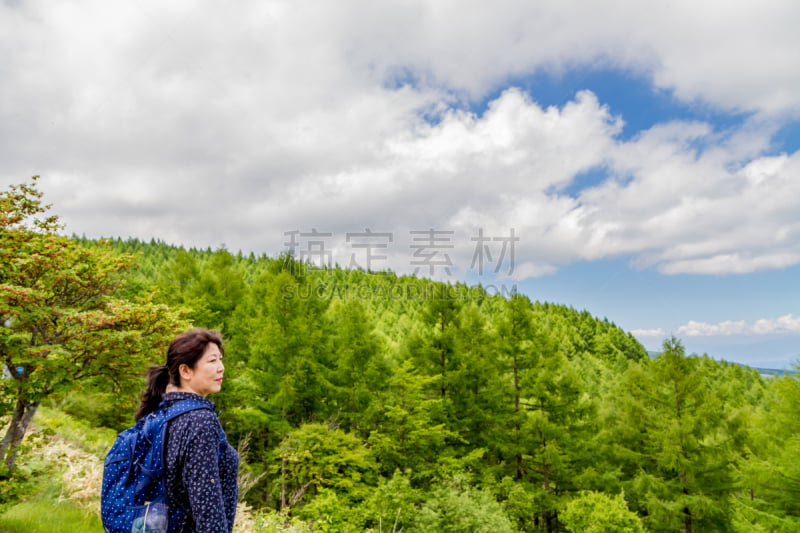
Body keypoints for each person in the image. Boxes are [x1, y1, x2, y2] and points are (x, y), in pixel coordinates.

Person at [135, 328, 239, 532]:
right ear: (185, 371)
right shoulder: (200, 421)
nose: (221, 368)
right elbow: (206, 506)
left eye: (220, 359)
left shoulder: (164, 413)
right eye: (212, 361)